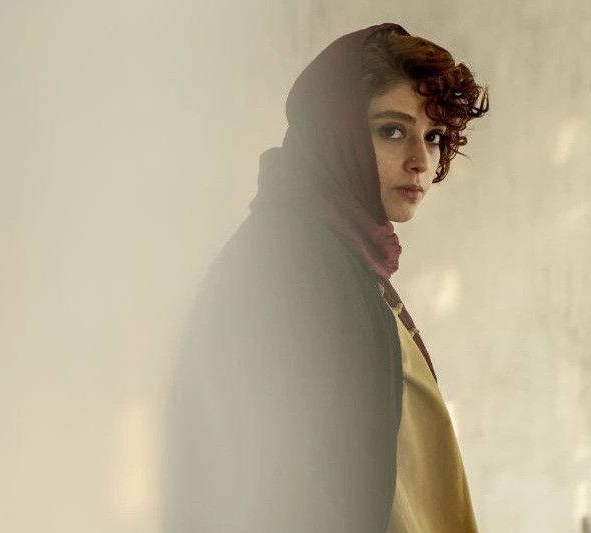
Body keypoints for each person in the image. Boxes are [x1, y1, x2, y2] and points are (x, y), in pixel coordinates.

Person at [162, 23, 490, 533]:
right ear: (335, 132)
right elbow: (273, 488)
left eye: (434, 137)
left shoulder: (342, 255)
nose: (421, 161)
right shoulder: (288, 262)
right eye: (392, 130)